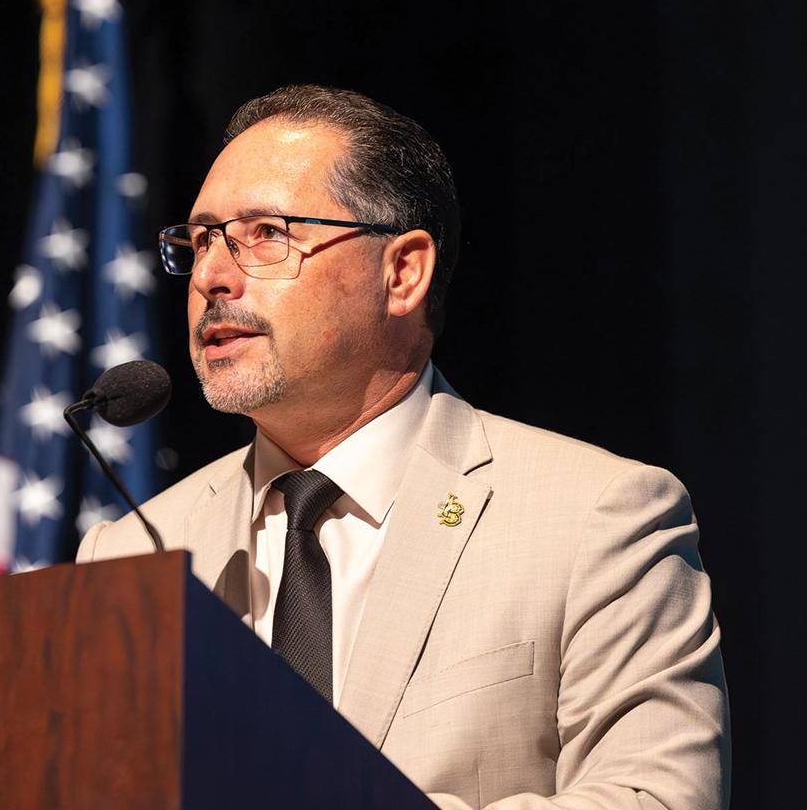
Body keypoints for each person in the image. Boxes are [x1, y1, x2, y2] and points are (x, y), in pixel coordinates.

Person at [76, 85, 728, 808]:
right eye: (199, 240)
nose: (210, 277)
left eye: (266, 233)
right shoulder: (134, 550)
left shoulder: (595, 518)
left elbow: (659, 798)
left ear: (403, 272)